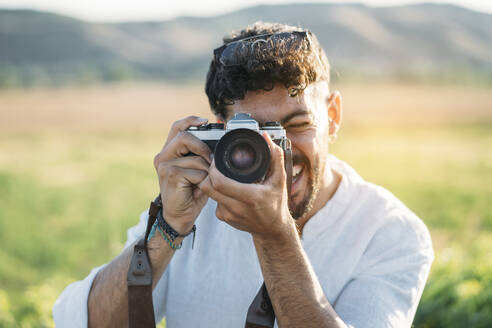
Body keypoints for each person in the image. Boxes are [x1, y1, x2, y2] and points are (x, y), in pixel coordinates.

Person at [53, 22, 434, 328]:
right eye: (255, 133)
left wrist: (275, 236)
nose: (277, 149)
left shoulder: (391, 231)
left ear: (332, 117)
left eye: (296, 124)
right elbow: (89, 323)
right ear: (220, 131)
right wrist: (168, 227)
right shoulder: (197, 205)